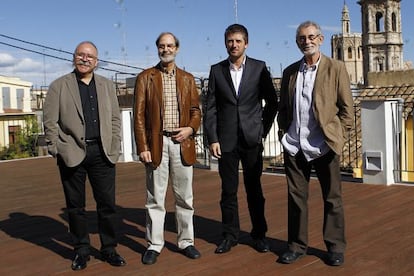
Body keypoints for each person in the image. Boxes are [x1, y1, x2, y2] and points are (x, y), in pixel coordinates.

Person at [43, 41, 126, 271]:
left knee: (107, 205)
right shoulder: (59, 86)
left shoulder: (107, 85)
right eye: (80, 55)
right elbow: (49, 121)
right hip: (71, 152)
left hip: (102, 153)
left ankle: (109, 248)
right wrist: (55, 148)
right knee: (75, 207)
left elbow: (115, 119)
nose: (85, 59)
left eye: (89, 56)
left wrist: (114, 145)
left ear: (96, 62)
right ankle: (81, 250)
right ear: (74, 58)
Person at [277, 21, 354, 266]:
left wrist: (337, 137)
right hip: (294, 145)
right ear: (297, 42)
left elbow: (346, 110)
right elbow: (284, 108)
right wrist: (283, 133)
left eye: (311, 37)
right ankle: (296, 246)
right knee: (296, 198)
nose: (306, 41)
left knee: (332, 198)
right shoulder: (290, 71)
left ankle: (334, 247)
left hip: (324, 145)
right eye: (301, 38)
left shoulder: (336, 68)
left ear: (320, 39)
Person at [204, 24, 278, 254]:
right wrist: (212, 138)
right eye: (229, 41)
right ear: (225, 43)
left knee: (254, 190)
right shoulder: (216, 71)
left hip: (251, 139)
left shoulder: (259, 68)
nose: (233, 45)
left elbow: (272, 103)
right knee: (228, 191)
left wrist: (261, 131)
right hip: (225, 140)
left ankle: (259, 235)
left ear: (246, 43)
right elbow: (211, 107)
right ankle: (229, 235)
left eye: (237, 41)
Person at [133, 32, 202, 265]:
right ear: (157, 49)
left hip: (182, 143)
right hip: (156, 144)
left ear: (177, 48)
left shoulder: (188, 78)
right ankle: (154, 243)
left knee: (185, 197)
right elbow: (139, 117)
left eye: (170, 45)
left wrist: (190, 130)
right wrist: (142, 146)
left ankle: (186, 242)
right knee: (155, 197)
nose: (166, 49)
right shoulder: (145, 78)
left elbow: (196, 111)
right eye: (162, 46)